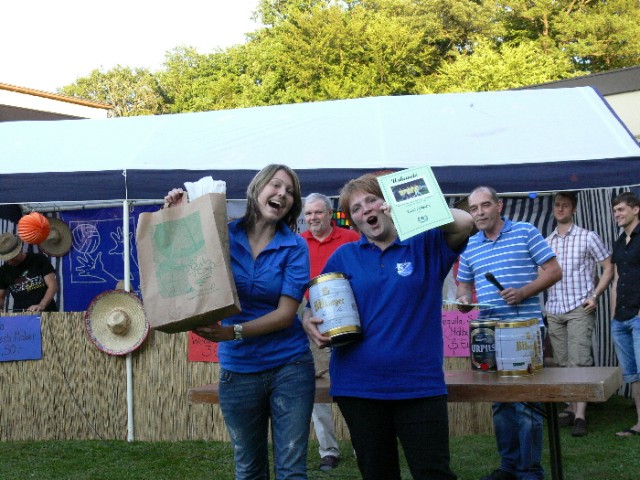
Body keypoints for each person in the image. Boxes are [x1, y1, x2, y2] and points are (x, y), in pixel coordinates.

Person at [303, 173, 473, 480]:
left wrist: (414, 208)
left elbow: (464, 223)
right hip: (359, 388)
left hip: (419, 386)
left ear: (387, 204)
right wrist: (308, 320)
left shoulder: (425, 244)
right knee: (377, 474)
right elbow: (317, 302)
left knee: (433, 473)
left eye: (372, 200)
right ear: (353, 220)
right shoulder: (345, 256)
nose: (365, 210)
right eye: (356, 208)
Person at [164, 164, 315, 479]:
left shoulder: (296, 246)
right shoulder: (223, 234)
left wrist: (231, 332)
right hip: (239, 370)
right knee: (248, 469)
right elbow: (185, 269)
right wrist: (176, 215)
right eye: (276, 185)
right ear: (257, 189)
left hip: (290, 366)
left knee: (292, 470)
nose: (282, 194)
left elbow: (287, 314)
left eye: (290, 192)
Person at [456, 186, 561, 480]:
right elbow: (464, 286)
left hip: (525, 331)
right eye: (474, 209)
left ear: (499, 206)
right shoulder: (470, 245)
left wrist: (524, 292)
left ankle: (530, 470)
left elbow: (554, 271)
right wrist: (465, 301)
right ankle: (509, 467)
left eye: (485, 205)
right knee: (500, 404)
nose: (479, 212)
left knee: (526, 404)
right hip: (488, 333)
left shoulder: (525, 231)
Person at [544, 191, 613, 437]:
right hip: (554, 309)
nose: (560, 209)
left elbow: (608, 266)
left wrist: (594, 295)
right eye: (557, 205)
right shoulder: (547, 241)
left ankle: (581, 416)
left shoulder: (587, 237)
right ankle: (572, 408)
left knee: (580, 360)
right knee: (562, 363)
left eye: (565, 206)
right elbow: (543, 274)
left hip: (578, 308)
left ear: (573, 209)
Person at [300, 192, 360, 471]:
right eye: (309, 214)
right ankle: (328, 450)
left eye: (318, 213)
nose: (313, 218)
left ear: (330, 213)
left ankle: (363, 443)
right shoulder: (298, 243)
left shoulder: (351, 238)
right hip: (313, 319)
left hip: (349, 317)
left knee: (357, 384)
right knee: (316, 386)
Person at [610, 192, 640, 437]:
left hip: (638, 315)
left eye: (621, 209)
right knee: (632, 374)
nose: (617, 214)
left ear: (636, 209)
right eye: (615, 210)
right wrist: (612, 317)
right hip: (620, 318)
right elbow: (617, 279)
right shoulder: (620, 242)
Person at [0, 233, 58, 313]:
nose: (10, 261)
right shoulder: (3, 271)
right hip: (21, 316)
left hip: (47, 313)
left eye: (13, 257)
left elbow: (52, 286)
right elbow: (1, 297)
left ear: (20, 250)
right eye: (7, 259)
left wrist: (41, 305)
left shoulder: (39, 259)